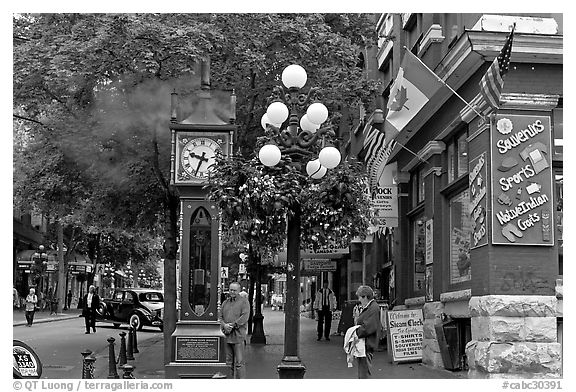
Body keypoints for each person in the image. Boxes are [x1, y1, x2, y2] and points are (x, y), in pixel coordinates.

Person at [218, 282, 250, 378]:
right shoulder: (225, 302)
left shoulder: (244, 302)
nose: (232, 292)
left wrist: (231, 326)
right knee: (228, 362)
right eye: (231, 290)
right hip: (227, 336)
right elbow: (219, 316)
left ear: (239, 291)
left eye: (234, 290)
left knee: (239, 363)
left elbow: (245, 317)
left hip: (238, 336)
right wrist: (224, 325)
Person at [354, 285, 382, 378]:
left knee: (364, 371)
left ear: (365, 297)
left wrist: (356, 332)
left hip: (367, 343)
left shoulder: (373, 308)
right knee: (363, 369)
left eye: (360, 297)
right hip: (364, 343)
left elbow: (368, 327)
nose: (359, 300)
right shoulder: (369, 307)